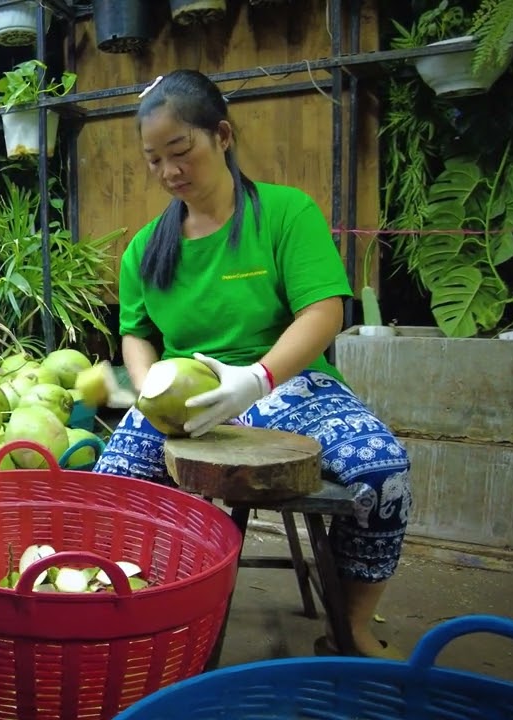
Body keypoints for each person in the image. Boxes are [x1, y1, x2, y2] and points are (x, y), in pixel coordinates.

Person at [94, 69, 412, 660]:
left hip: (292, 381)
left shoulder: (287, 214)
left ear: (222, 135)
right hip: (186, 393)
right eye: (154, 159)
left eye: (181, 150)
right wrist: (148, 392)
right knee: (111, 492)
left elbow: (324, 311)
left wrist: (257, 379)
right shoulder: (145, 247)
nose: (169, 172)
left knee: (382, 474)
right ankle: (139, 618)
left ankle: (352, 625)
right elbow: (135, 333)